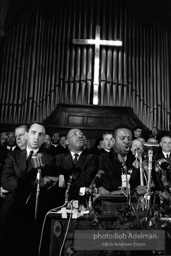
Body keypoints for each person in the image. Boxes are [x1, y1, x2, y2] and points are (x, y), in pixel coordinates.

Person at [0, 122, 57, 256]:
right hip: (10, 209)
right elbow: (6, 180)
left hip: (33, 210)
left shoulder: (49, 159)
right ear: (27, 135)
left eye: (40, 134)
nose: (36, 137)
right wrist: (31, 184)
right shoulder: (12, 156)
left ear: (44, 139)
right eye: (33, 133)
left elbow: (43, 184)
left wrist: (21, 185)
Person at [55, 128, 97, 204]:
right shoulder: (59, 158)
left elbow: (88, 178)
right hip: (62, 201)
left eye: (82, 134)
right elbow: (60, 182)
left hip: (84, 201)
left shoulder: (92, 158)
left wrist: (69, 185)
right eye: (75, 134)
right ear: (67, 141)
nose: (80, 136)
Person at [95, 125, 140, 194]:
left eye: (129, 138)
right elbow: (110, 184)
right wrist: (133, 190)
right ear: (113, 141)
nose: (127, 141)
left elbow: (139, 183)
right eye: (122, 138)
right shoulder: (104, 158)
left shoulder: (136, 159)